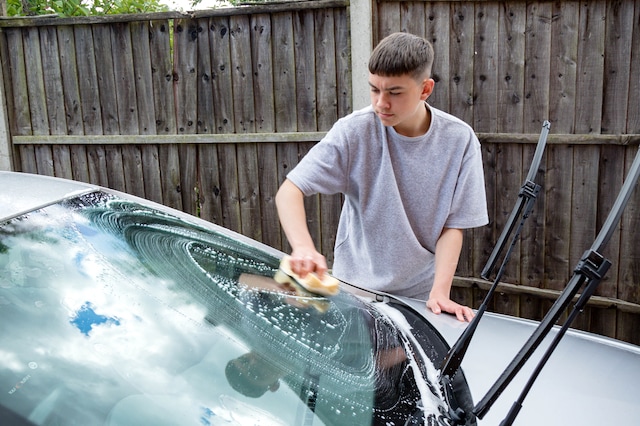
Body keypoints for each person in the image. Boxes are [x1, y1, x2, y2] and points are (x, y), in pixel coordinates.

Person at [275, 32, 489, 322]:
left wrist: (440, 292)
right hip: (353, 292)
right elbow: (290, 190)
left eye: (394, 92)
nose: (380, 103)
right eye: (374, 90)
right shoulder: (354, 131)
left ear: (425, 89)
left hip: (416, 299)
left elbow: (453, 226)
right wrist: (303, 247)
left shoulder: (459, 140)